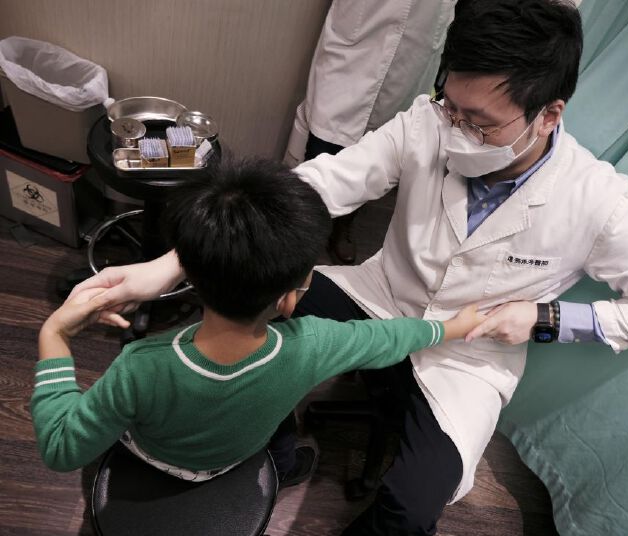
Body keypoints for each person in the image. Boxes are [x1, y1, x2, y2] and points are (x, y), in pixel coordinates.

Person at [70, 1, 628, 533]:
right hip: (380, 295)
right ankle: (277, 453)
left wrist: (544, 316)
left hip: (468, 354)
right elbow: (316, 188)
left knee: (410, 507)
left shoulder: (600, 201)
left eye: (480, 123)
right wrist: (172, 263)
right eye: (451, 105)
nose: (455, 129)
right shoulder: (425, 124)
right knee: (239, 326)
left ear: (548, 114)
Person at [31, 158, 486, 484]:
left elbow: (61, 448)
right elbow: (388, 336)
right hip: (239, 457)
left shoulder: (140, 367)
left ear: (189, 273)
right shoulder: (315, 343)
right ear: (289, 296)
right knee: (282, 425)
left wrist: (55, 334)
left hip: (156, 460)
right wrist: (452, 328)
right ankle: (284, 469)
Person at [285, 0, 458, 264]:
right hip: (361, 33)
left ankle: (344, 224)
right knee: (326, 134)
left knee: (387, 147)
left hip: (418, 45)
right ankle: (296, 227)